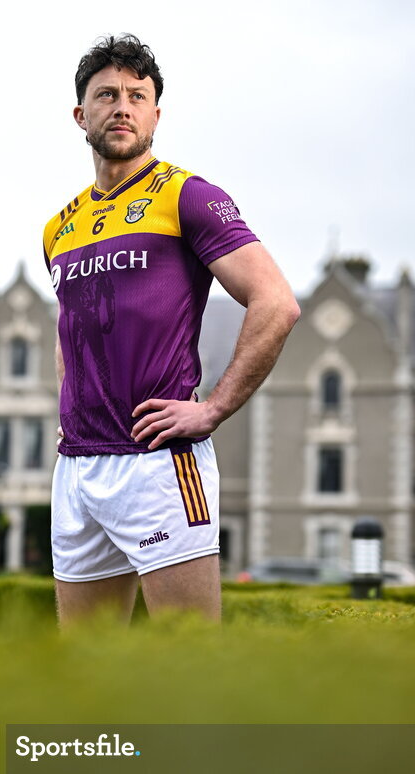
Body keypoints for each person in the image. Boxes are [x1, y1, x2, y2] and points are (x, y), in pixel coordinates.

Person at [43, 34, 300, 624]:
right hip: (78, 469)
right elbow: (72, 329)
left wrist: (212, 410)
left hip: (160, 463)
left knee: (189, 666)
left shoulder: (189, 197)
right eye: (107, 95)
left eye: (138, 95)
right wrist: (67, 414)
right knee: (84, 670)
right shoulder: (59, 226)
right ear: (81, 114)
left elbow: (276, 302)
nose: (122, 107)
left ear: (157, 112)